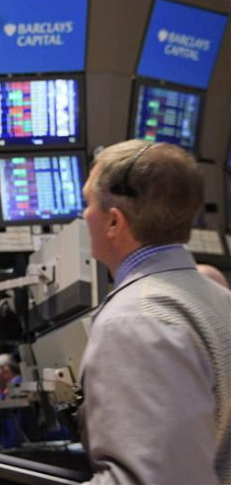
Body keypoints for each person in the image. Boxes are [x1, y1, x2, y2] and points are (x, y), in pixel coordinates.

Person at [78, 140, 231, 484]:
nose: (84, 214)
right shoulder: (220, 299)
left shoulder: (135, 320)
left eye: (87, 202)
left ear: (114, 222)